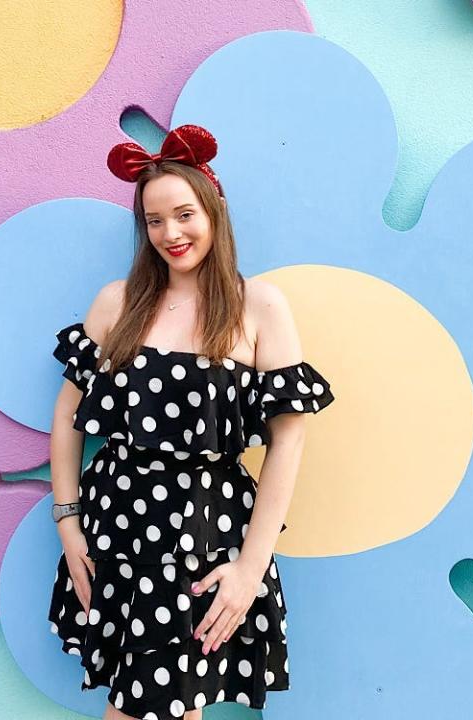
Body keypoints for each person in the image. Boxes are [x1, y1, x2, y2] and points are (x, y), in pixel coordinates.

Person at [47, 124, 335, 720]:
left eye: (183, 214)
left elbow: (289, 439)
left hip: (204, 533)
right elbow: (71, 418)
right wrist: (69, 524)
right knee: (173, 705)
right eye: (154, 221)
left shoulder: (259, 306)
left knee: (153, 706)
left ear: (214, 211)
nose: (171, 234)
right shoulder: (116, 302)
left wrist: (251, 568)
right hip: (116, 526)